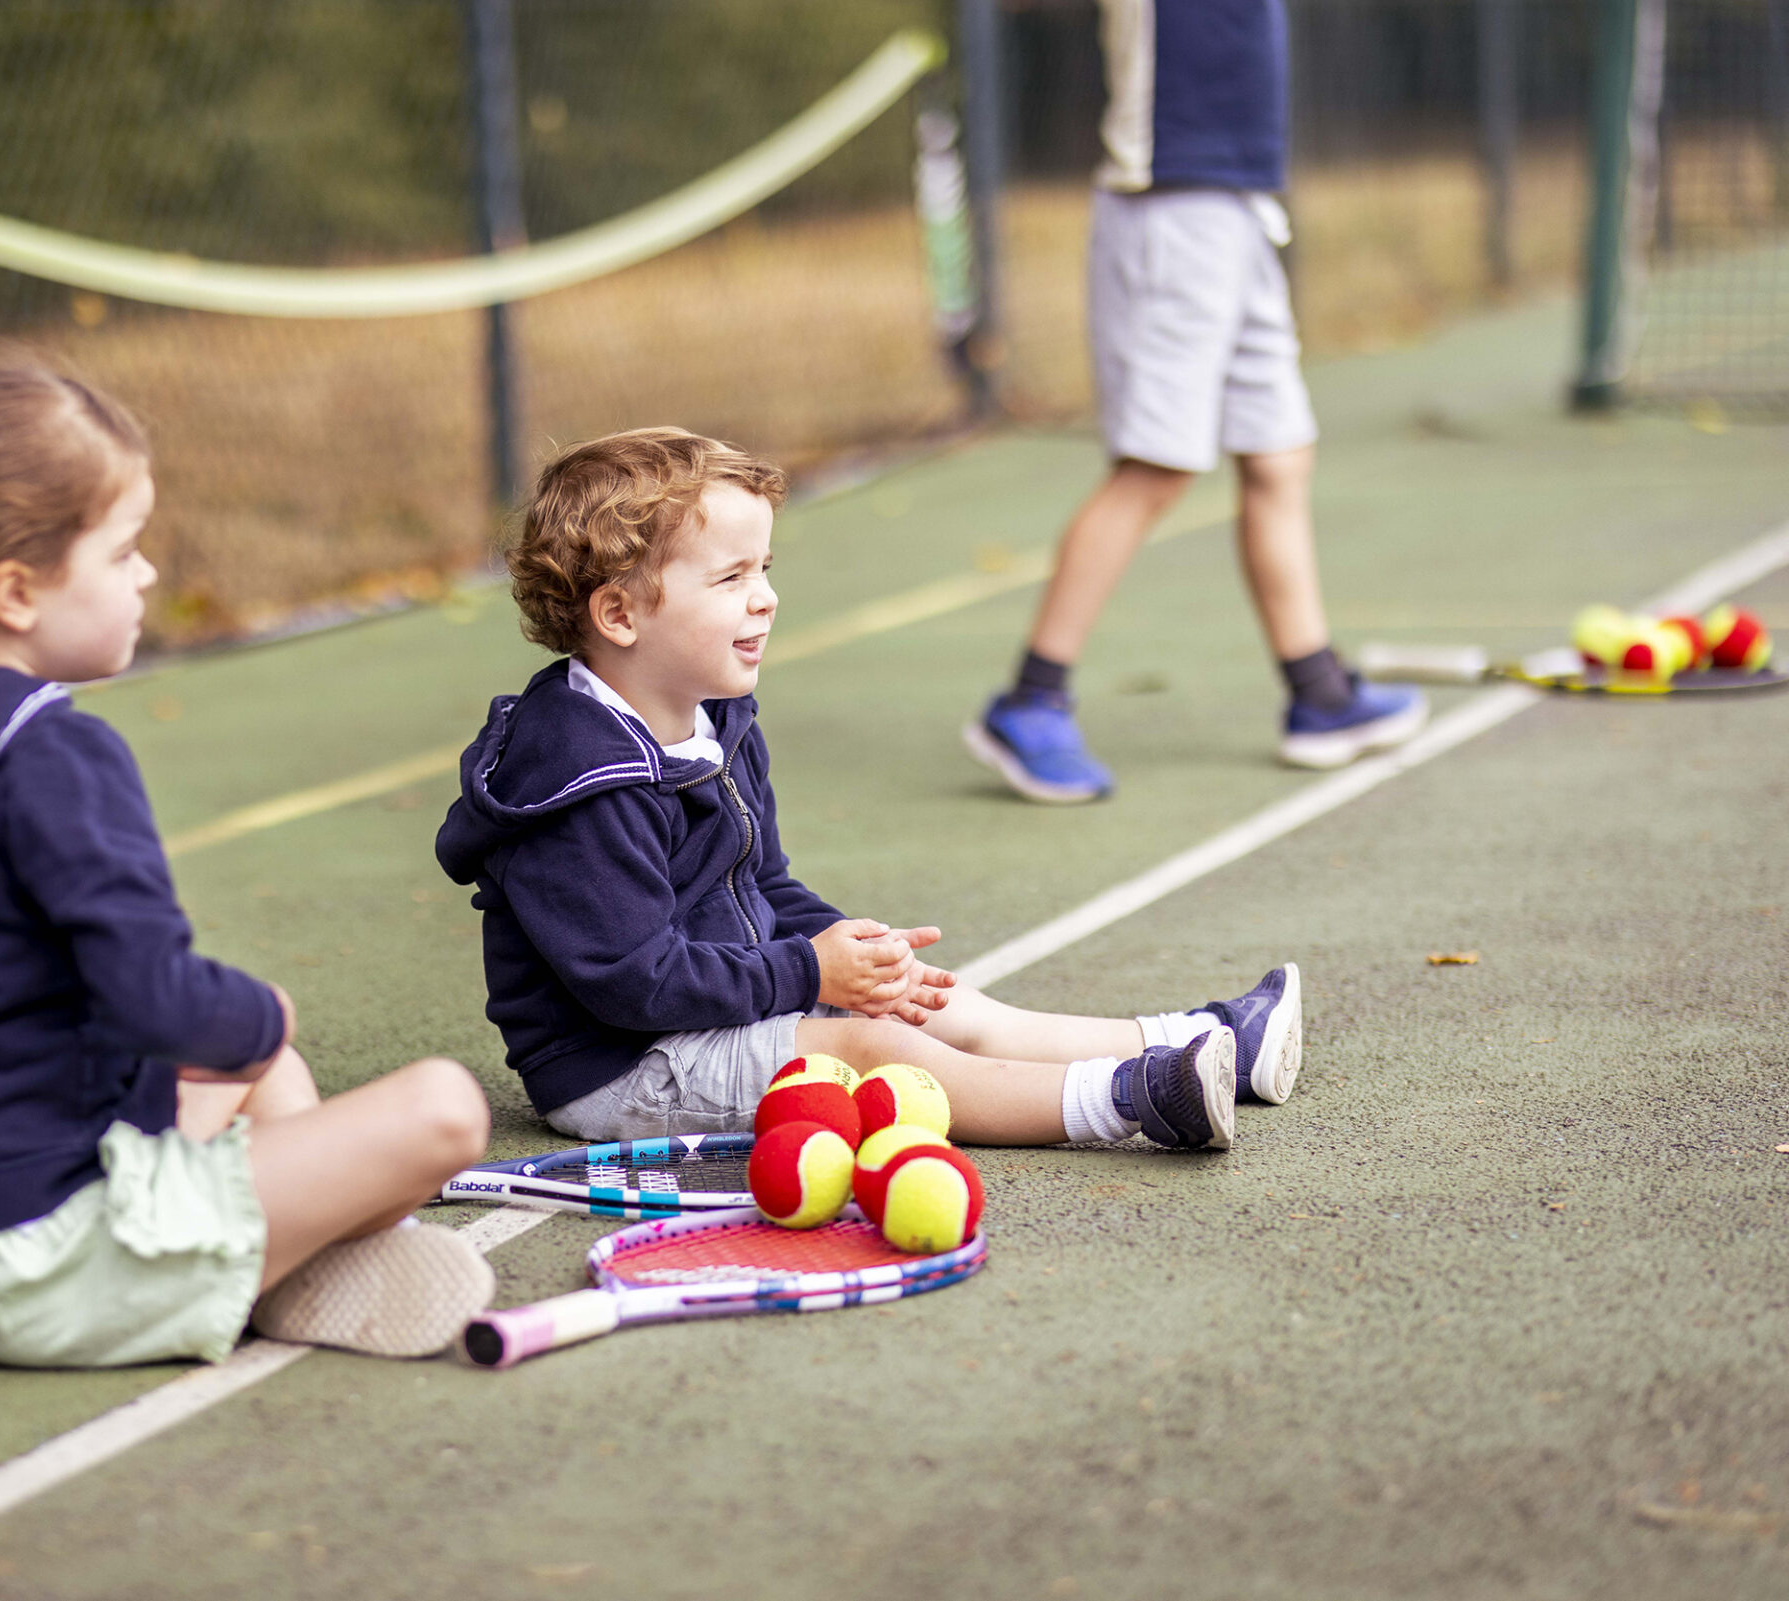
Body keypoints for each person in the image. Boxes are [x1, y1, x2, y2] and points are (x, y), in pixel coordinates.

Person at [0, 369, 492, 1367]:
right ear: (15, 591)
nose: (146, 574)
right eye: (122, 549)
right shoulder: (53, 753)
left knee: (252, 1066)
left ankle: (282, 1258)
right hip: (54, 1259)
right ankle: (289, 1260)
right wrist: (263, 1012)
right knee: (439, 1103)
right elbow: (153, 996)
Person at [435, 428, 1303, 1159]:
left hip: (719, 999)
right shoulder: (583, 783)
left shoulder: (716, 717)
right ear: (620, 615)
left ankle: (1203, 1034)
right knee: (874, 1045)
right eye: (731, 578)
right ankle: (1129, 1099)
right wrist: (814, 972)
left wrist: (858, 955)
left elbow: (761, 881)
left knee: (932, 1001)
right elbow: (637, 985)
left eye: (765, 568)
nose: (767, 599)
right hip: (624, 1064)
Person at [963, 0, 1425, 804]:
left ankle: (1318, 694)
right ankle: (1031, 699)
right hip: (1171, 207)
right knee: (1157, 471)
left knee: (1278, 455)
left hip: (1239, 203)